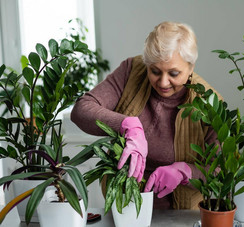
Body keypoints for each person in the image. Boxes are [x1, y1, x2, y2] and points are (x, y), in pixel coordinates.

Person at [71, 21, 222, 210]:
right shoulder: (132, 71)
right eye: (155, 71)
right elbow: (82, 110)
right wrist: (127, 124)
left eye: (174, 73)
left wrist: (185, 172)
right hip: (123, 205)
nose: (163, 82)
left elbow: (218, 171)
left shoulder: (210, 102)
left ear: (191, 67)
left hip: (179, 214)